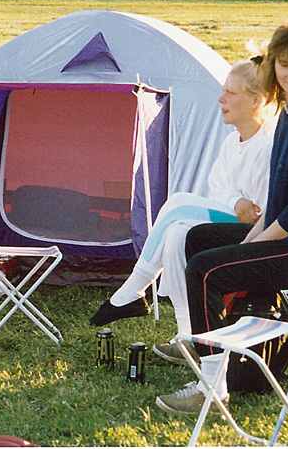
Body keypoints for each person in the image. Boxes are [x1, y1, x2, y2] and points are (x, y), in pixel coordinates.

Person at [156, 22, 288, 415]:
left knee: (207, 271)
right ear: (273, 65)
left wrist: (253, 244)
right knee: (196, 238)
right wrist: (247, 241)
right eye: (285, 64)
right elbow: (278, 201)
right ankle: (200, 341)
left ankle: (212, 387)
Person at [89, 58, 276, 353]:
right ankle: (189, 336)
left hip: (259, 234)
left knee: (177, 204)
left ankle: (134, 288)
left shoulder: (268, 145)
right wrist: (236, 200)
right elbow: (218, 190)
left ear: (256, 101)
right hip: (232, 221)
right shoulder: (231, 143)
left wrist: (241, 204)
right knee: (177, 234)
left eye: (231, 93)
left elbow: (262, 212)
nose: (221, 99)